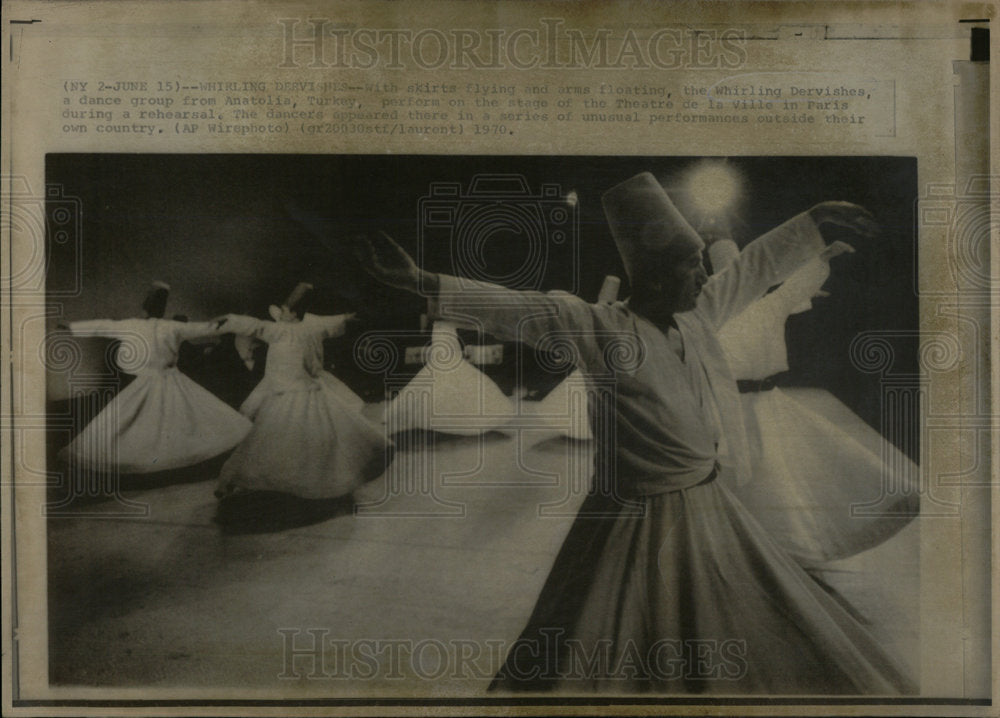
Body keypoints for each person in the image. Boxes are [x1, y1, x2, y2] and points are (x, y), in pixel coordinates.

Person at [355, 172, 916, 694]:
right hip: (631, 518)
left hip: (708, 505)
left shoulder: (697, 315)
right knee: (608, 640)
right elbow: (517, 307)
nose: (703, 277)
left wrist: (814, 219)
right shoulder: (601, 327)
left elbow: (751, 269)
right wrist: (421, 281)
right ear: (655, 273)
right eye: (691, 266)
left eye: (701, 265)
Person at [709, 238, 919, 566]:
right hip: (727, 407)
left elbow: (794, 288)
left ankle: (784, 554)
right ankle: (751, 555)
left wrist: (821, 257)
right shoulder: (707, 314)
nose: (739, 286)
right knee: (746, 477)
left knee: (782, 473)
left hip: (768, 404)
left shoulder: (768, 305)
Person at [214, 282, 390, 500]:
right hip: (305, 391)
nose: (280, 313)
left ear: (291, 313)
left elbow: (255, 326)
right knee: (311, 437)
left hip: (288, 392)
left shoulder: (279, 330)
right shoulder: (311, 329)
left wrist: (229, 320)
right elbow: (332, 322)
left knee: (271, 438)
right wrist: (345, 317)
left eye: (284, 310)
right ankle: (312, 479)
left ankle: (267, 479)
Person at [58, 281, 252, 474]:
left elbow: (102, 326)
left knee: (138, 420)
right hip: (167, 380)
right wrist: (231, 321)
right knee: (178, 418)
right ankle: (174, 457)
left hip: (152, 380)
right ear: (162, 307)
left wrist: (71, 327)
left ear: (145, 306)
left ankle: (162, 458)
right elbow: (208, 328)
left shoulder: (133, 325)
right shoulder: (172, 327)